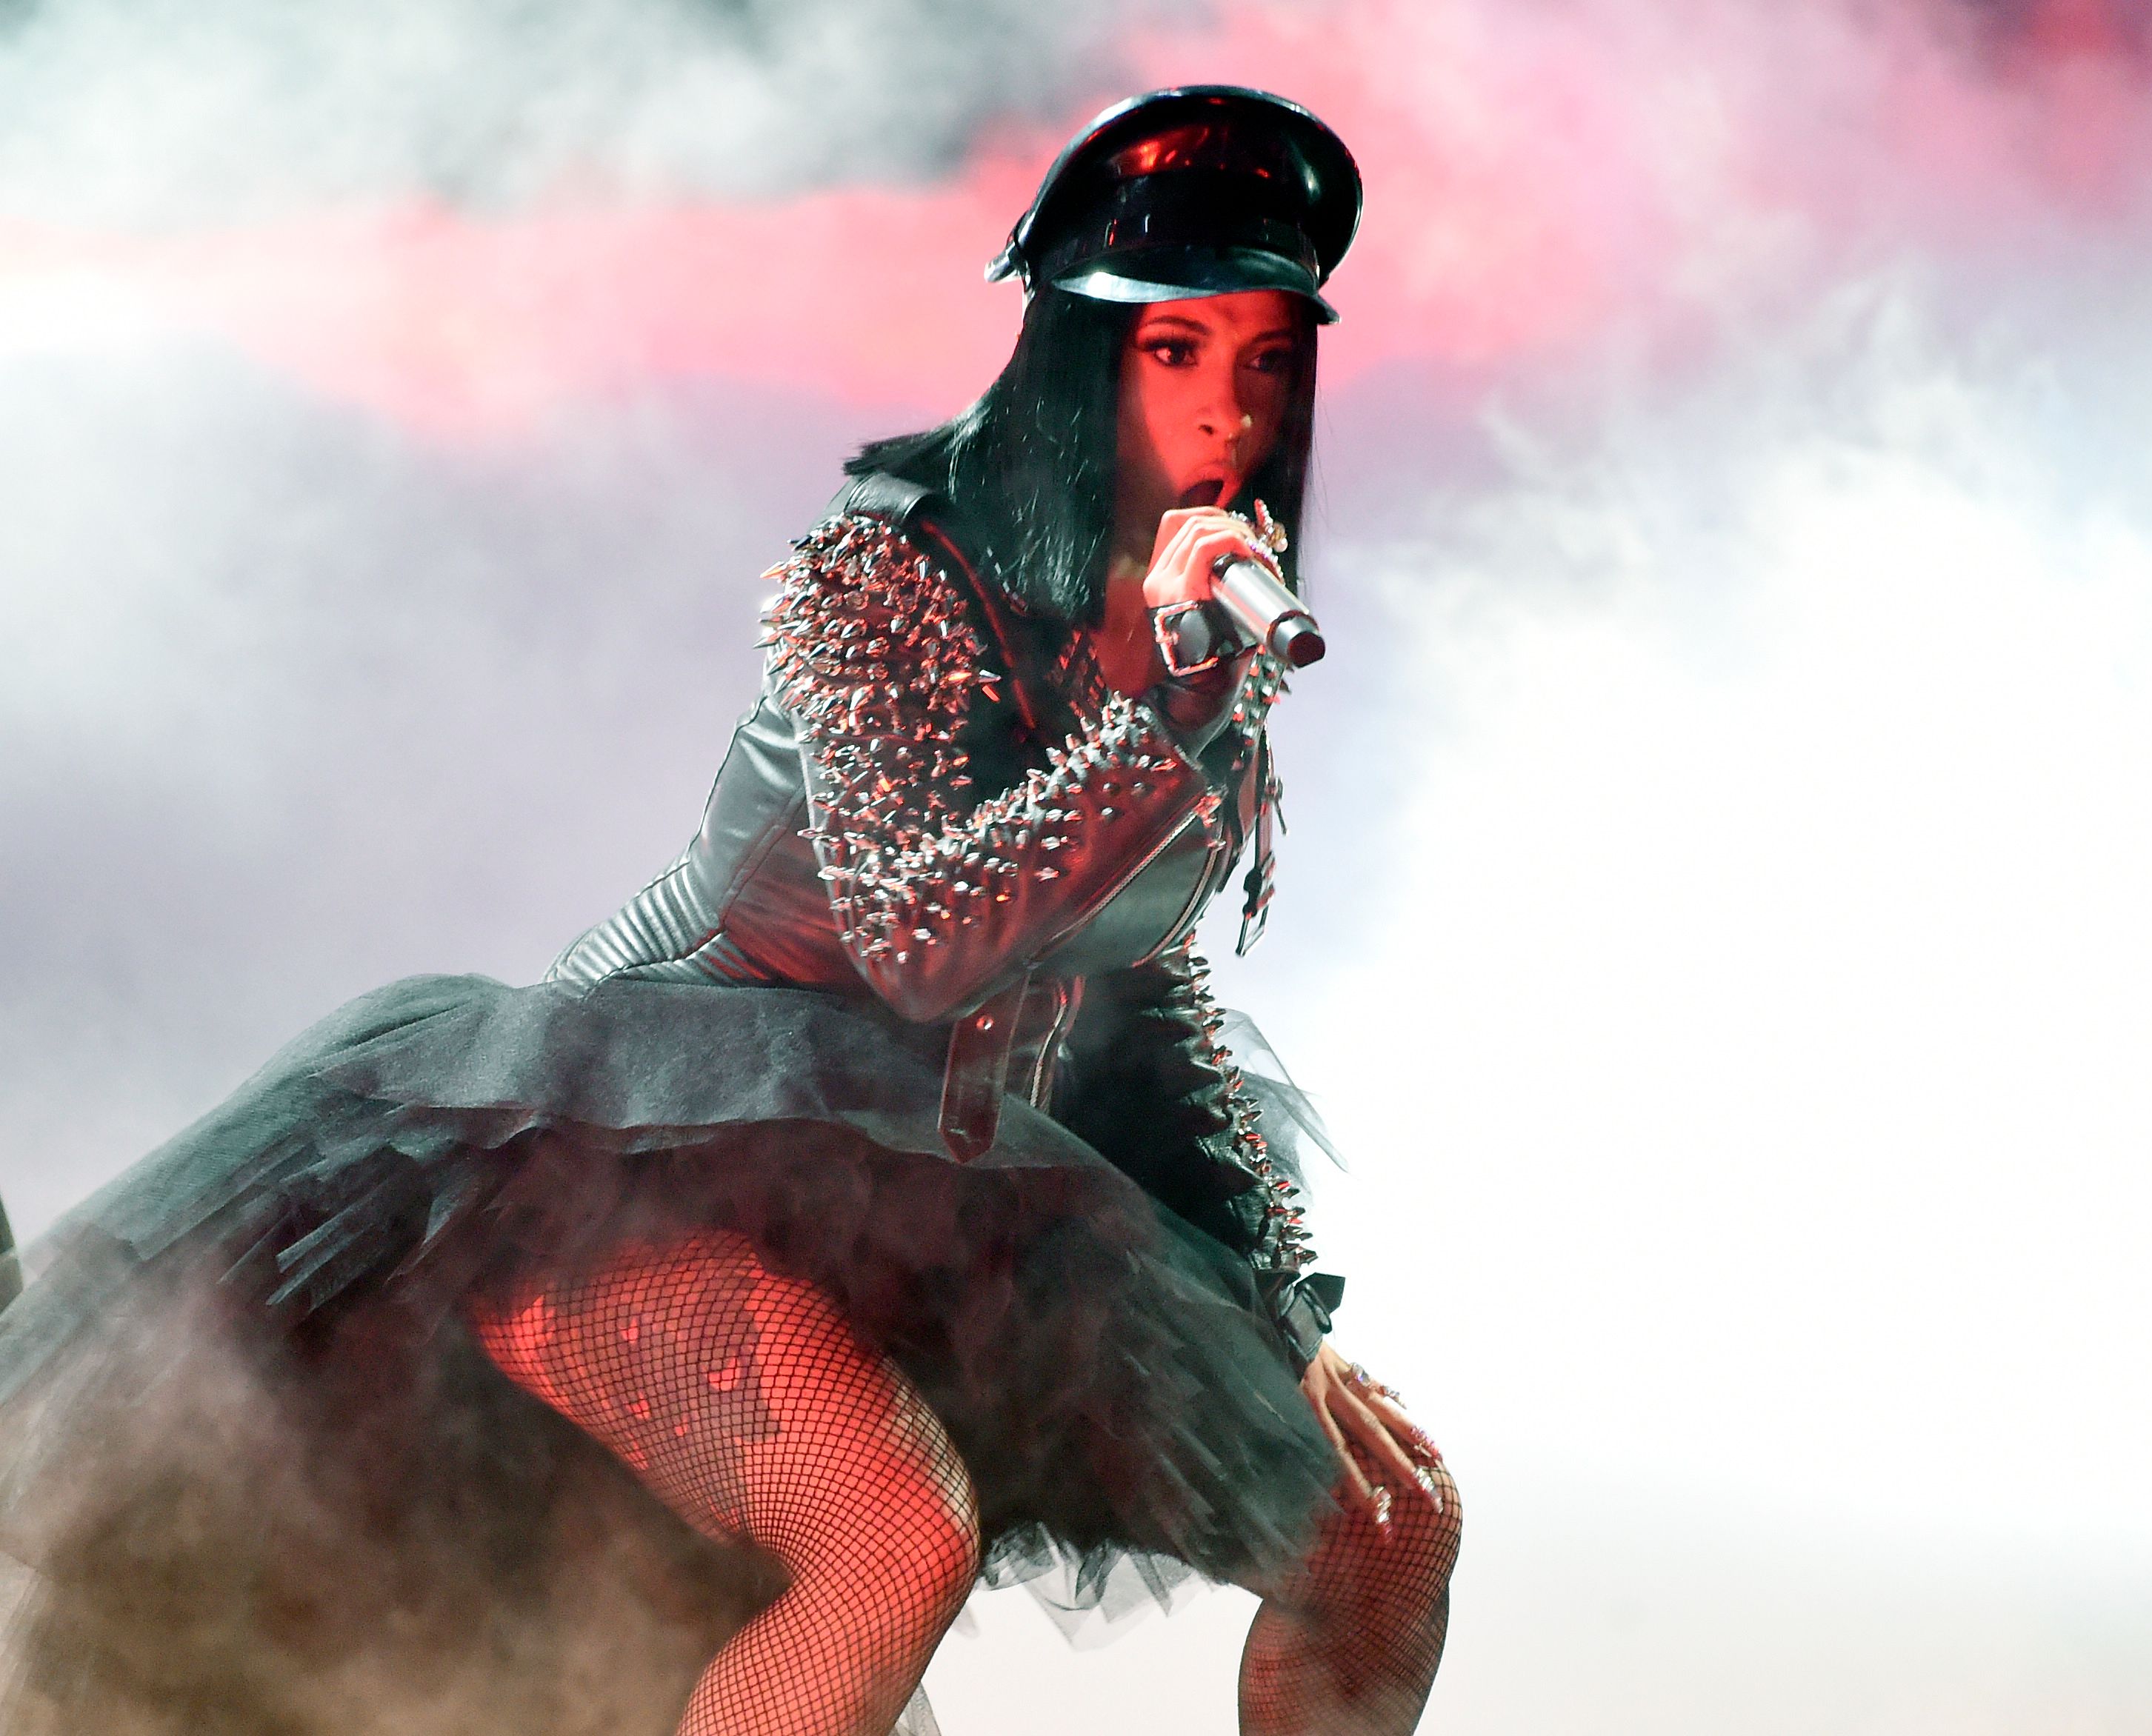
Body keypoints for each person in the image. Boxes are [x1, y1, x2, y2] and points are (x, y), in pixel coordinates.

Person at [0, 86, 1460, 1736]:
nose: (1227, 411)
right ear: (1075, 357)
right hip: (629, 1152)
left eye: (1268, 357)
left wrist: (1276, 1311)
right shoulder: (883, 570)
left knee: (1387, 1532)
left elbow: (1129, 984)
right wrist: (1166, 721)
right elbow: (919, 941)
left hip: (934, 1184)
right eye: (1173, 351)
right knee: (889, 1536)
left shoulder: (1185, 635)